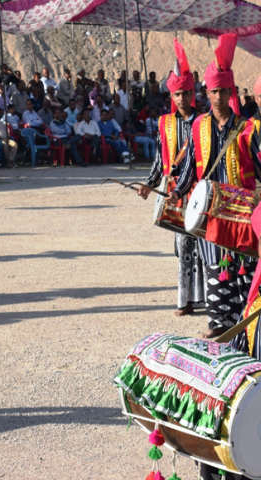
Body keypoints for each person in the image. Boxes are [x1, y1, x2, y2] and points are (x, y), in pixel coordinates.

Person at [169, 33, 261, 345]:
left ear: (231, 91)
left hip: (242, 213)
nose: (219, 96)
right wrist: (177, 191)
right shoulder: (198, 128)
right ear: (206, 93)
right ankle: (219, 323)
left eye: (224, 91)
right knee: (214, 268)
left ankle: (245, 329)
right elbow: (187, 164)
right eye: (213, 91)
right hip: (210, 212)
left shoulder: (249, 130)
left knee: (245, 271)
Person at [137, 39, 205, 317]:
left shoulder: (205, 121)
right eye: (177, 94)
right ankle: (184, 300)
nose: (182, 99)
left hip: (199, 189)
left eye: (186, 93)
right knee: (181, 246)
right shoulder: (164, 124)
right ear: (171, 97)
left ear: (193, 94)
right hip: (175, 189)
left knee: (201, 245)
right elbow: (158, 159)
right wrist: (150, 184)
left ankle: (201, 299)